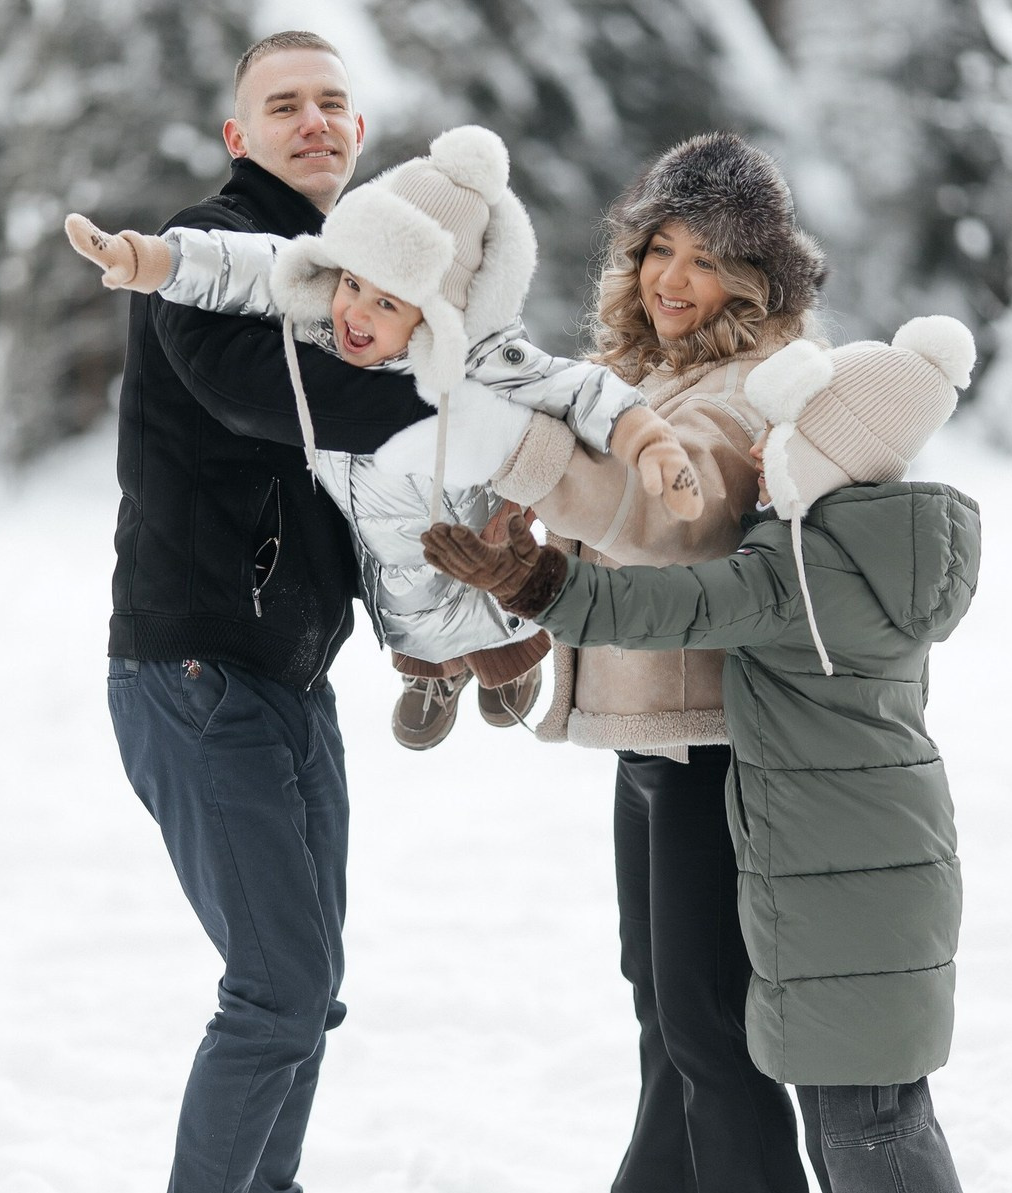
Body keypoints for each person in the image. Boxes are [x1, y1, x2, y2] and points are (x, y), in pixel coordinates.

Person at [421, 314, 990, 1193]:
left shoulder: (802, 570)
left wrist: (540, 582)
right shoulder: (884, 546)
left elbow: (666, 607)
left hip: (835, 878)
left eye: (783, 437)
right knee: (870, 1116)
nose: (760, 454)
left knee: (864, 1131)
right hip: (874, 871)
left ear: (830, 453)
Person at [386, 131, 829, 1193]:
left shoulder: (754, 383)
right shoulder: (643, 374)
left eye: (705, 260)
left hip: (717, 740)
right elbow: (605, 513)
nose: (671, 280)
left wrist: (529, 456)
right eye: (657, 250)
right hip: (649, 735)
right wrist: (520, 530)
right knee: (666, 1014)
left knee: (709, 1029)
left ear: (758, 279)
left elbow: (670, 517)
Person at [100, 30, 440, 1193]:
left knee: (312, 978)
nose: (314, 121)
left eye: (333, 104)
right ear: (239, 136)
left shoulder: (344, 278)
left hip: (292, 673)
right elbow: (287, 403)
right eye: (283, 105)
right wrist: (470, 397)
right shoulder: (208, 258)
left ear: (359, 133)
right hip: (190, 662)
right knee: (279, 981)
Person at [67, 126, 702, 751]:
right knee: (409, 611)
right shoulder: (327, 317)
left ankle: (510, 658)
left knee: (483, 614)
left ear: (435, 316)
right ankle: (432, 678)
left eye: (387, 304)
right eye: (352, 285)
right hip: (386, 554)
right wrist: (153, 261)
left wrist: (649, 440)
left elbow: (579, 388)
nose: (356, 314)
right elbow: (251, 266)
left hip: (471, 546)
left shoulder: (483, 360)